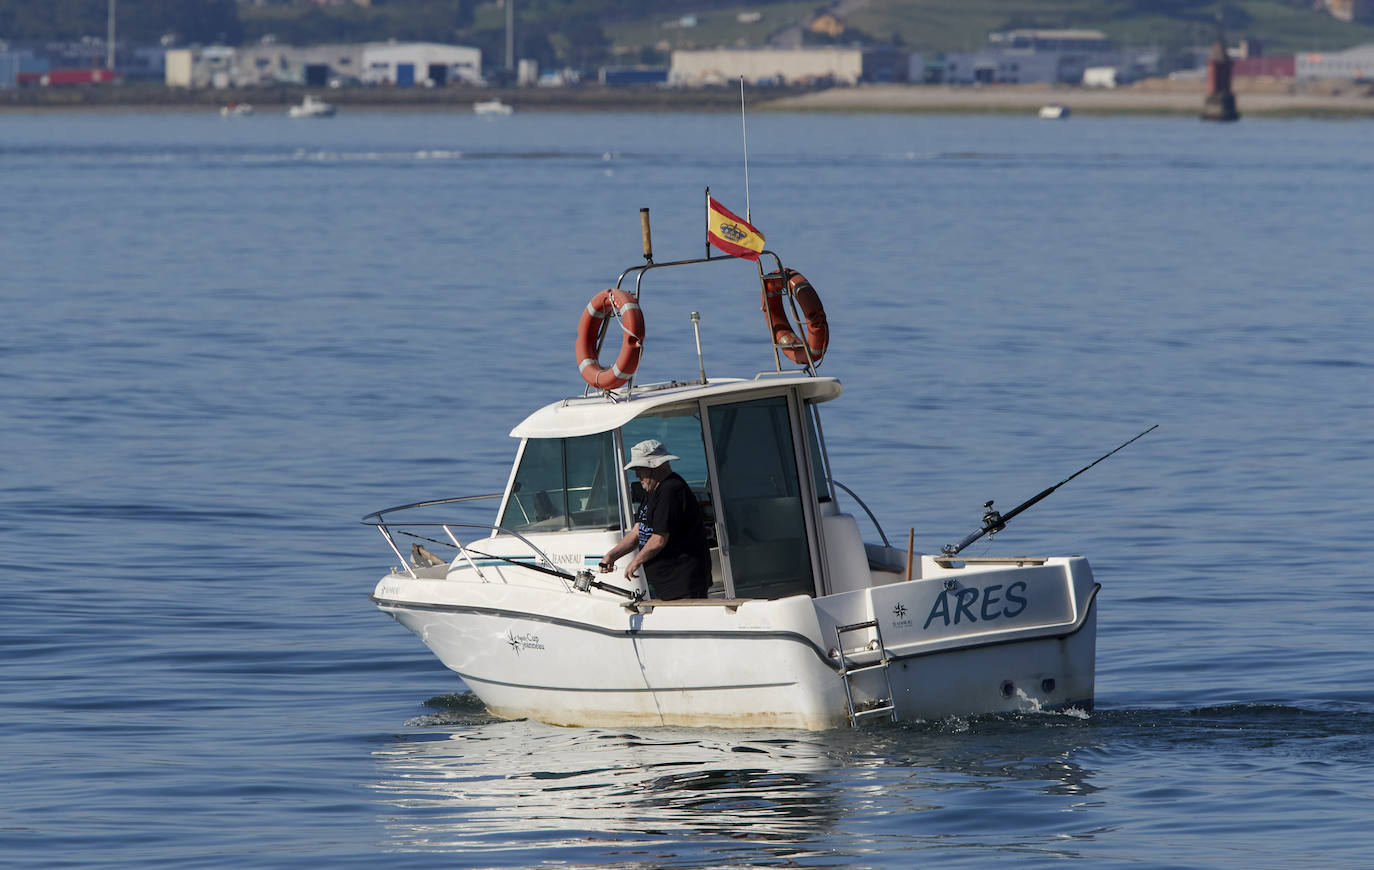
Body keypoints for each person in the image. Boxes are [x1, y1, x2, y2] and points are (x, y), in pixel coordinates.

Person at [599, 439, 711, 600]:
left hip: (683, 581)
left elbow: (659, 538)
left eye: (640, 469)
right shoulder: (652, 490)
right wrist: (612, 556)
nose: (637, 475)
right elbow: (639, 530)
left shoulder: (671, 490)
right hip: (664, 583)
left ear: (655, 467)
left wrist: (635, 562)